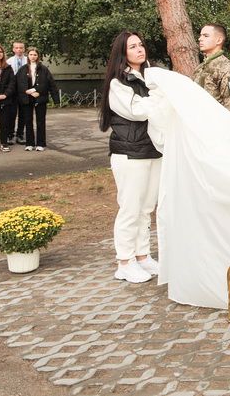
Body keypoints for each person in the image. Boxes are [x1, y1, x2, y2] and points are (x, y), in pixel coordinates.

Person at [98, 31, 163, 284]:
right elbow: (136, 111)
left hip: (152, 149)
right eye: (132, 46)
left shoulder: (150, 76)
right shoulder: (118, 82)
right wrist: (158, 101)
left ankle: (142, 255)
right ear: (122, 53)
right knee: (130, 208)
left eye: (141, 44)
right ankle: (124, 262)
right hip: (128, 152)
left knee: (146, 207)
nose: (139, 49)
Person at [192, 23, 230, 118]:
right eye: (200, 35)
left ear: (219, 40)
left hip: (215, 126)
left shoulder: (228, 69)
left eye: (206, 36)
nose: (200, 39)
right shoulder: (200, 68)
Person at [16, 47, 59, 152]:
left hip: (40, 98)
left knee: (40, 121)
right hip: (26, 99)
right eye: (31, 54)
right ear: (28, 55)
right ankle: (29, 143)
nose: (33, 57)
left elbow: (49, 83)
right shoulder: (22, 69)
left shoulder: (44, 69)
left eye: (35, 55)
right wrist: (27, 91)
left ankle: (40, 143)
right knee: (28, 121)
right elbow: (18, 83)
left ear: (38, 56)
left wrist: (37, 91)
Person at [6, 41, 28, 144]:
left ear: (24, 49)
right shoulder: (9, 61)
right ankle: (10, 135)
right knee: (11, 114)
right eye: (17, 48)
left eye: (21, 48)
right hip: (13, 92)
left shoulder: (28, 60)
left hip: (25, 91)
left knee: (23, 114)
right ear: (13, 49)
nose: (19, 50)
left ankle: (20, 134)